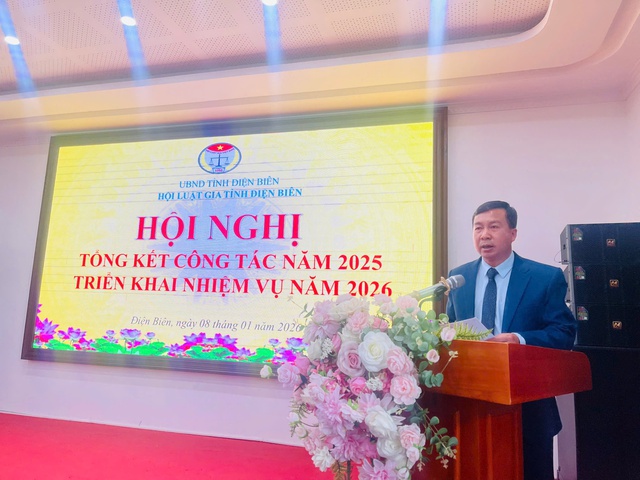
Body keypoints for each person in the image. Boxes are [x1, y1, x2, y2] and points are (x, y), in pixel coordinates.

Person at [446, 200, 577, 480]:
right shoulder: (459, 278)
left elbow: (564, 333)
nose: (484, 235)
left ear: (513, 233)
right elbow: (450, 330)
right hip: (469, 406)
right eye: (478, 228)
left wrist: (519, 339)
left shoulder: (544, 277)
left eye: (493, 227)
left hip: (529, 409)